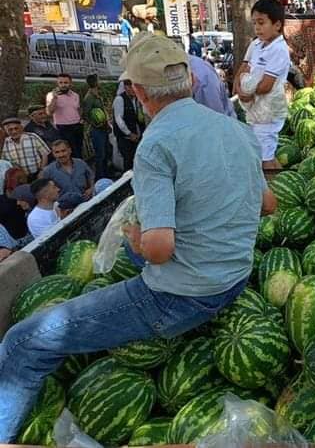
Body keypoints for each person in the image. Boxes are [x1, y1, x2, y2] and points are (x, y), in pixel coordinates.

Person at [0, 32, 277, 442]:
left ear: (138, 92)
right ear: (191, 82)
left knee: (24, 341)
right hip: (232, 278)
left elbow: (160, 250)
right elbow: (267, 204)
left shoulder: (156, 144)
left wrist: (134, 237)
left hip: (180, 297)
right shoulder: (234, 129)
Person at [234, 0, 291, 170]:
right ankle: (283, 184)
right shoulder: (256, 44)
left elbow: (266, 86)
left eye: (262, 22)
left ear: (277, 25)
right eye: (254, 23)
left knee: (264, 159)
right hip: (256, 111)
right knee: (266, 154)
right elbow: (243, 67)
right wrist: (238, 88)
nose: (257, 27)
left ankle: (275, 191)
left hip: (269, 112)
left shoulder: (279, 50)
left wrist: (246, 94)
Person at [46, 73, 83, 158]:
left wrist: (81, 120)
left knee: (79, 150)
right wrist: (54, 99)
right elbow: (49, 112)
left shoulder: (75, 95)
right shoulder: (51, 95)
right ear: (57, 83)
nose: (63, 85)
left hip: (77, 126)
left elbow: (77, 108)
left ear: (70, 83)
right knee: (68, 152)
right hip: (63, 127)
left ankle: (79, 167)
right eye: (61, 83)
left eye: (66, 83)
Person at [81, 74, 111, 180]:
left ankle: (107, 174)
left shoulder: (96, 95)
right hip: (97, 130)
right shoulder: (89, 98)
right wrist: (96, 124)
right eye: (99, 80)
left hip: (103, 128)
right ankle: (100, 177)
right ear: (95, 82)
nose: (100, 82)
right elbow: (85, 114)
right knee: (100, 154)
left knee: (106, 152)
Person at [113, 79, 146, 172]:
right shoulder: (120, 99)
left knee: (137, 160)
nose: (134, 90)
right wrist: (129, 133)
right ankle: (128, 184)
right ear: (126, 87)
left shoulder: (135, 99)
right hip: (125, 138)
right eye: (132, 87)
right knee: (128, 161)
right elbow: (119, 119)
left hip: (136, 136)